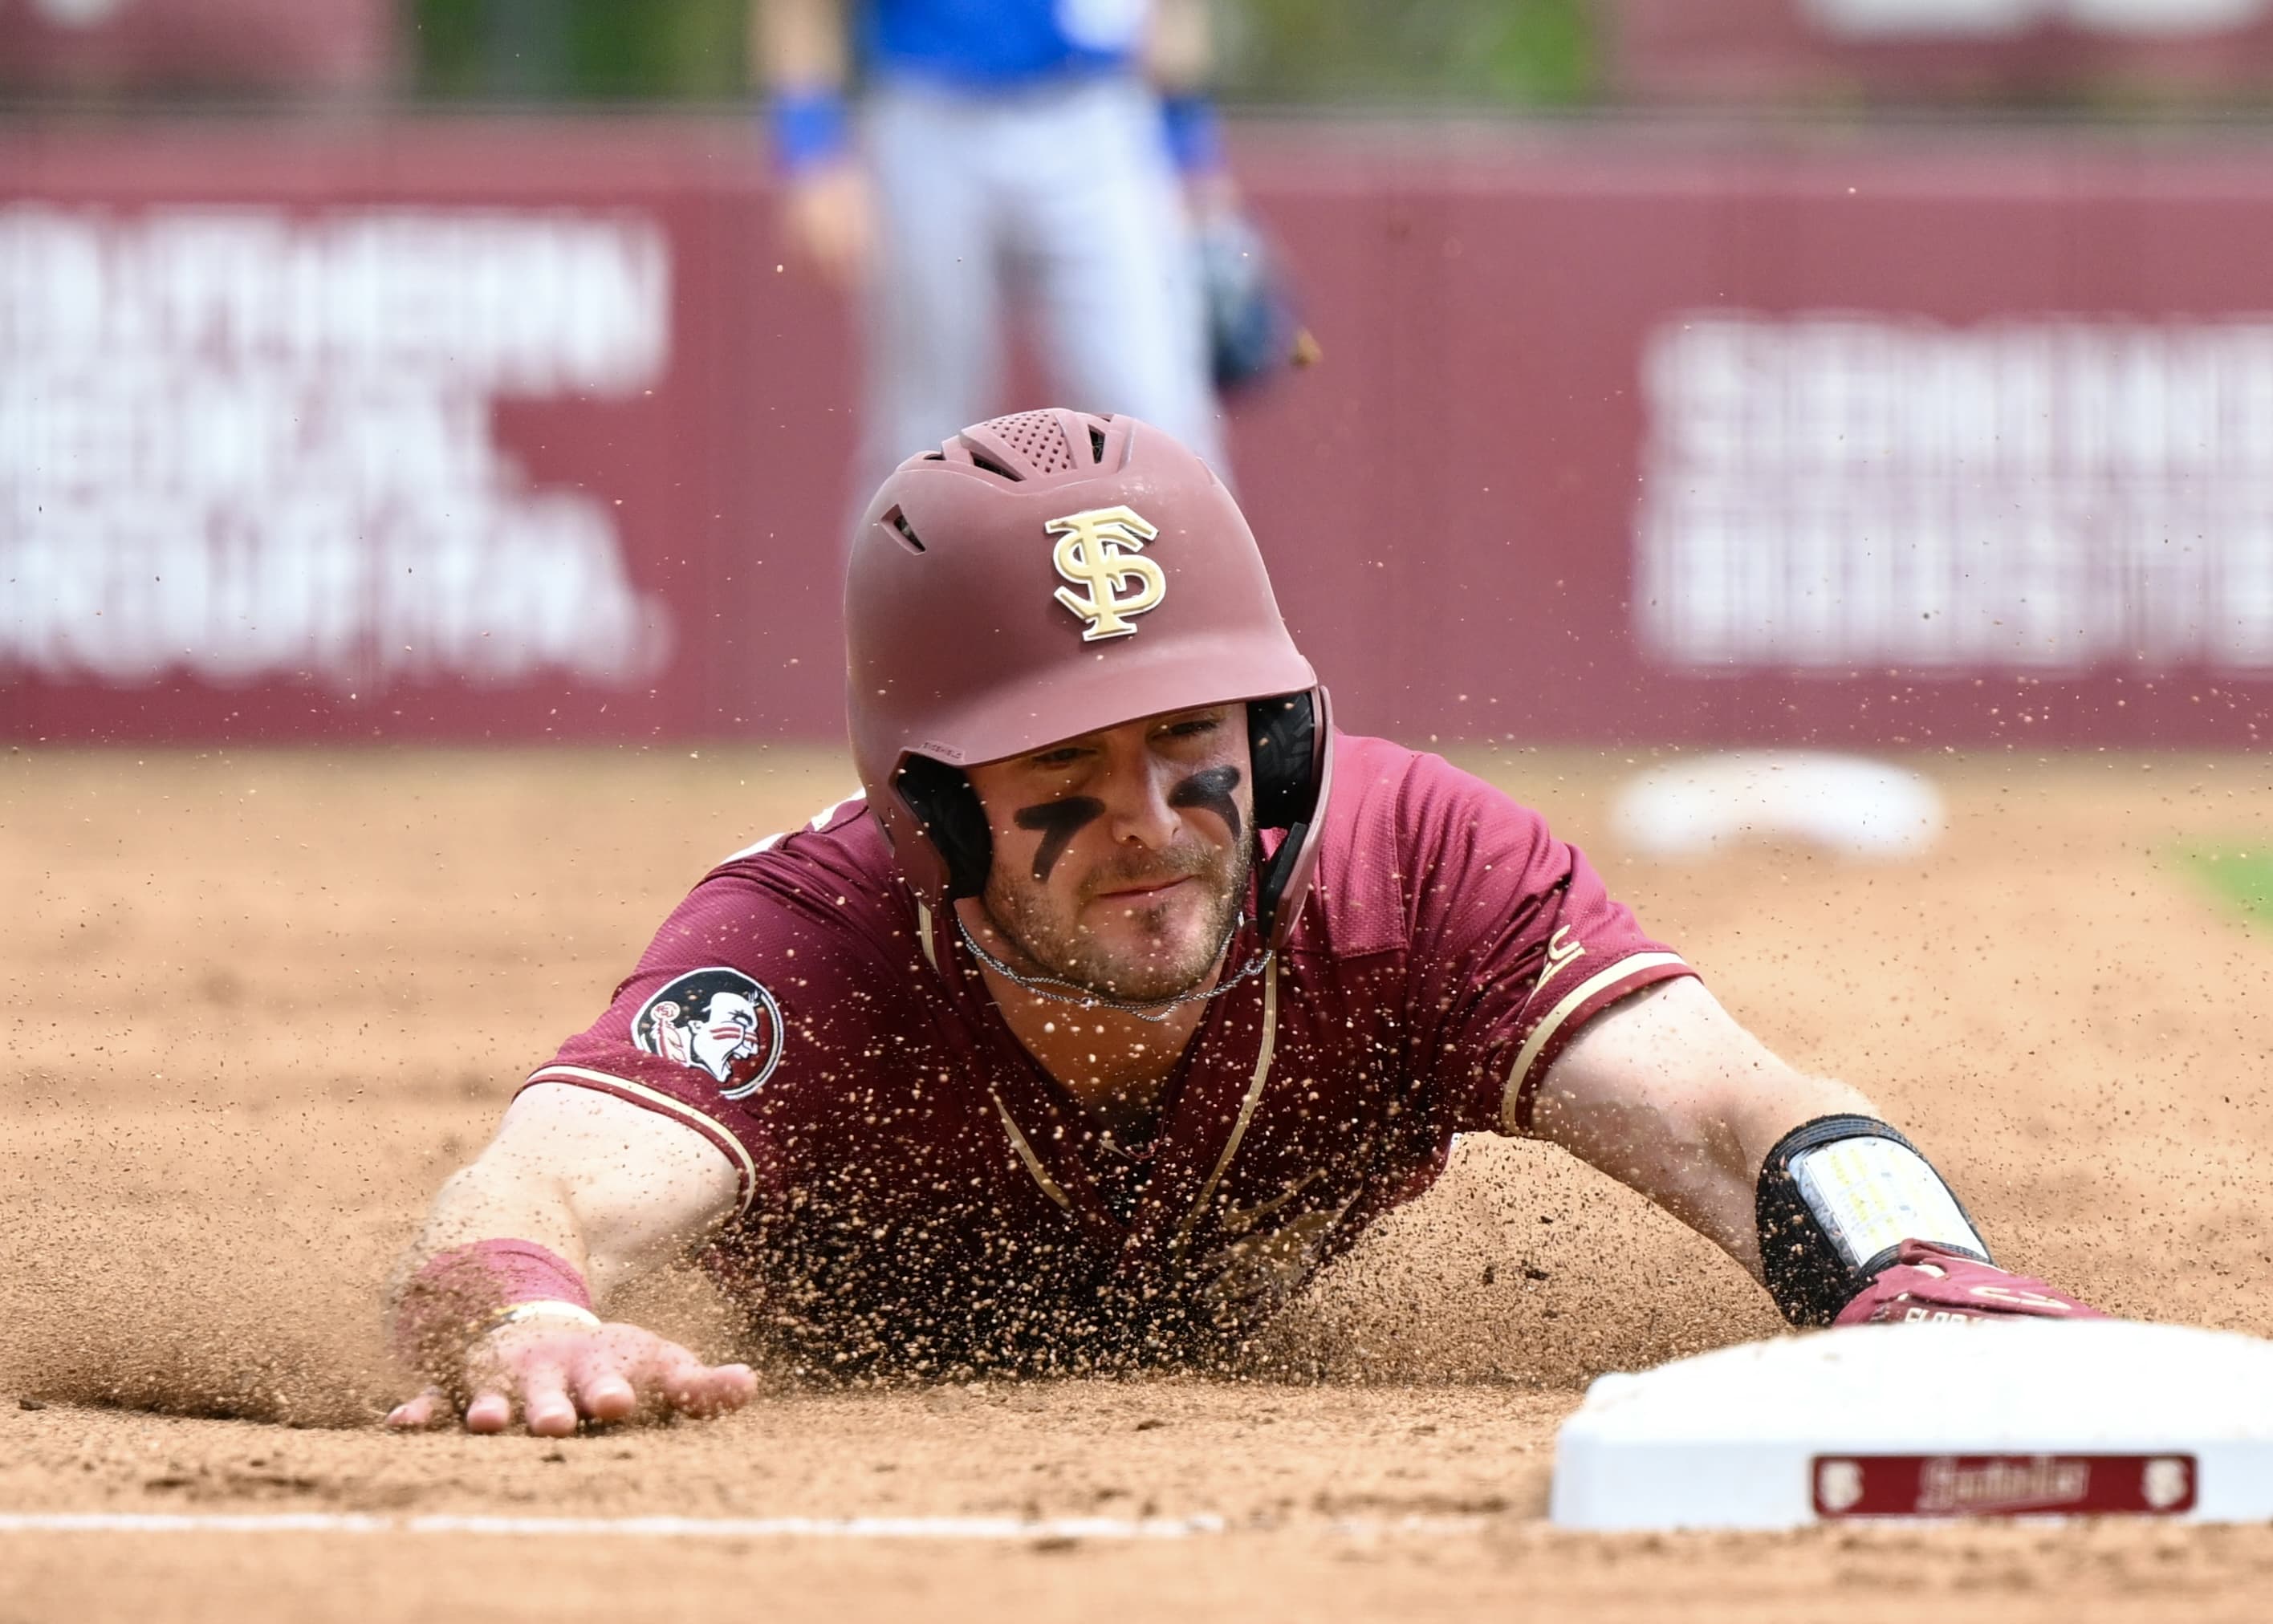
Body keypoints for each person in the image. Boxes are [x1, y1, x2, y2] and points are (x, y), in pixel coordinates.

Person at [386, 409, 2100, 1436]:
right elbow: (523, 1195)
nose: (1144, 820)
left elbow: (1737, 1118)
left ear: (1269, 738)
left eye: (1186, 743)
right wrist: (530, 1321)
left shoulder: (1411, 862)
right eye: (1063, 760)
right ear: (929, 807)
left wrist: (1908, 1266)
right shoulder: (804, 950)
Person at [753, 0, 1229, 485]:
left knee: (1157, 424)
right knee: (923, 442)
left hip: (1100, 114)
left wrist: (1191, 148)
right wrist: (809, 145)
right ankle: (908, 562)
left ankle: (1192, 561)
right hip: (930, 109)